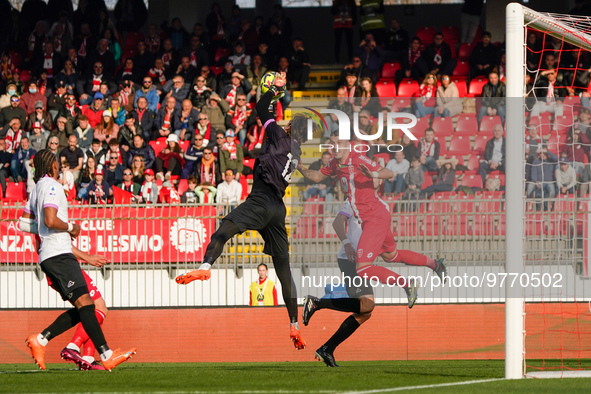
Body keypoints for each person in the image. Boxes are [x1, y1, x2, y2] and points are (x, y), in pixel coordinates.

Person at [176, 74, 308, 350]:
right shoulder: (297, 152)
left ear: (287, 129)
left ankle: (204, 267)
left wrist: (275, 91)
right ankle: (294, 324)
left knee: (223, 231)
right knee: (284, 271)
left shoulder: (278, 137)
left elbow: (262, 109)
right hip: (277, 209)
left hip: (260, 200)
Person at [299, 137, 447, 362]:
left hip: (374, 223)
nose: (334, 147)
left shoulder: (359, 161)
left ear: (347, 146)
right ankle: (435, 264)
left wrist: (373, 174)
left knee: (365, 273)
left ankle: (407, 284)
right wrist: (300, 168)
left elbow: (388, 172)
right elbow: (318, 176)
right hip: (369, 229)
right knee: (389, 259)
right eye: (331, 144)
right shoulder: (337, 168)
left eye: (338, 143)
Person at [21, 150, 135, 371]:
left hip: (51, 254)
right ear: (52, 166)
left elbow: (24, 224)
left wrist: (46, 229)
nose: (60, 167)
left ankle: (42, 340)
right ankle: (105, 353)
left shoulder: (37, 188)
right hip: (59, 255)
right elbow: (51, 220)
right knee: (88, 305)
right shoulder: (52, 186)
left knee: (86, 306)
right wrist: (72, 227)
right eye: (57, 163)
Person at [301, 200, 374, 367]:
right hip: (350, 259)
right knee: (367, 305)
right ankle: (317, 303)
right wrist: (347, 244)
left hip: (364, 262)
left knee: (365, 311)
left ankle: (327, 348)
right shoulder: (354, 200)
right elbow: (337, 222)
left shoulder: (380, 205)